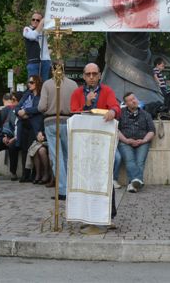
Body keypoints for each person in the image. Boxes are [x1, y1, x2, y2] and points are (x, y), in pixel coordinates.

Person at [70, 63, 121, 221]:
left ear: (99, 75)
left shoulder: (107, 91)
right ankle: (85, 214)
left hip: (101, 142)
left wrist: (113, 111)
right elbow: (72, 112)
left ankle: (108, 215)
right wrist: (86, 103)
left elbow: (116, 107)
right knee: (84, 177)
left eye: (94, 74)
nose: (91, 77)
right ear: (84, 76)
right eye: (88, 74)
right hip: (84, 143)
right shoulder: (77, 93)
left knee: (104, 175)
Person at [38, 69, 76, 200]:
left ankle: (62, 189)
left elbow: (41, 106)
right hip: (68, 120)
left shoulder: (47, 84)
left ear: (52, 70)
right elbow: (76, 105)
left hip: (51, 121)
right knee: (67, 155)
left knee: (56, 156)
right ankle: (71, 187)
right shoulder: (73, 84)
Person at [117, 92, 155, 193]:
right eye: (130, 100)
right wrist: (126, 140)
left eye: (134, 98)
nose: (134, 101)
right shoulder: (120, 113)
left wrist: (144, 140)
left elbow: (151, 131)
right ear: (126, 103)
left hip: (142, 141)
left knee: (140, 162)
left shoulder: (146, 114)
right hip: (125, 141)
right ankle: (137, 181)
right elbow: (116, 129)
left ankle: (132, 184)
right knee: (130, 160)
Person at [14, 75, 43, 183]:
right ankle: (25, 174)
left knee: (33, 149)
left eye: (32, 82)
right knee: (24, 149)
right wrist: (20, 113)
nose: (29, 84)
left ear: (37, 83)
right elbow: (17, 107)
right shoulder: (27, 94)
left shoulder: (41, 96)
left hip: (34, 125)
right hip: (23, 124)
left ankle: (34, 174)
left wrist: (26, 111)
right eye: (29, 82)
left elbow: (40, 108)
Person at [0, 92, 22, 180]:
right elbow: (6, 125)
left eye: (14, 100)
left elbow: (22, 129)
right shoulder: (11, 110)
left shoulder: (23, 110)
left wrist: (13, 139)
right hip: (9, 136)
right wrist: (4, 136)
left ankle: (13, 173)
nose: (12, 102)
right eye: (11, 100)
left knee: (12, 146)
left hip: (19, 138)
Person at [23, 11, 51, 81]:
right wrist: (41, 23)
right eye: (33, 19)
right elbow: (32, 36)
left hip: (45, 60)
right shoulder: (27, 29)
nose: (35, 21)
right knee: (33, 84)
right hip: (33, 61)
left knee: (44, 84)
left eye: (38, 20)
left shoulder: (44, 30)